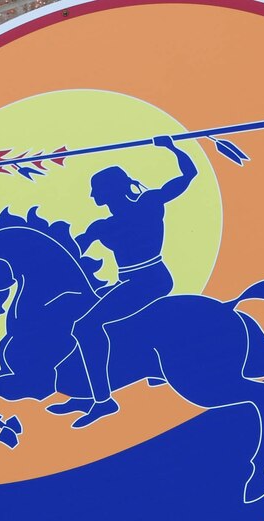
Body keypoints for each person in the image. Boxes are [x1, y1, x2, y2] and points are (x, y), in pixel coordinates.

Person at [55, 136, 200, 428]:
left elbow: (189, 175)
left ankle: (102, 400)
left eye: (97, 191)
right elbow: (73, 253)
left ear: (109, 191)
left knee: (86, 326)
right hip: (130, 283)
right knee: (76, 312)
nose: (93, 197)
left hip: (150, 280)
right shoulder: (101, 226)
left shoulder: (149, 202)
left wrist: (172, 147)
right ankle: (85, 390)